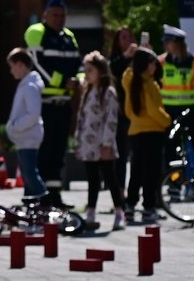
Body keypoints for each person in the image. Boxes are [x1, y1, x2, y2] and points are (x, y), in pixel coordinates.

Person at [23, 0, 83, 195]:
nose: (59, 19)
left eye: (62, 15)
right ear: (45, 15)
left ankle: (55, 196)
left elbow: (79, 64)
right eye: (55, 15)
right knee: (44, 150)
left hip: (64, 103)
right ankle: (38, 196)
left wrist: (79, 80)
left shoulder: (69, 37)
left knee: (59, 151)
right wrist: (62, 80)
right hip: (43, 103)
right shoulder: (37, 33)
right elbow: (38, 63)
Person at [122, 47, 171, 225]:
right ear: (145, 65)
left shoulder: (131, 81)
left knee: (136, 171)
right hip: (153, 131)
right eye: (152, 63)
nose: (155, 67)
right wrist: (167, 121)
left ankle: (130, 205)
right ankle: (149, 208)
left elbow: (128, 109)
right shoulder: (148, 84)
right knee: (151, 173)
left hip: (135, 130)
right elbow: (153, 109)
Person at [73, 51, 121, 230]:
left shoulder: (108, 92)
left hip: (102, 144)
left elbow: (111, 119)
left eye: (90, 70)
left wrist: (107, 143)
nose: (86, 73)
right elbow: (82, 117)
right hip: (89, 144)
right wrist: (79, 138)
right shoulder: (87, 91)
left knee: (110, 178)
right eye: (85, 70)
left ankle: (119, 211)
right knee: (92, 179)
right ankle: (91, 210)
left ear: (101, 71)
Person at [159, 25, 194, 157]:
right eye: (164, 42)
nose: (165, 45)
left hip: (192, 110)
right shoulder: (161, 62)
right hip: (169, 112)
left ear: (178, 43)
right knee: (170, 148)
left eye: (168, 42)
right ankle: (172, 177)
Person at [5, 49, 46, 200]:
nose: (11, 71)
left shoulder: (29, 86)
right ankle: (32, 206)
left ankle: (45, 203)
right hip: (25, 138)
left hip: (28, 137)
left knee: (29, 174)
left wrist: (15, 126)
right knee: (27, 175)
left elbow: (33, 114)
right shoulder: (26, 84)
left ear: (21, 65)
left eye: (12, 66)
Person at [107, 27, 136, 224]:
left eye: (129, 37)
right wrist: (126, 56)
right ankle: (120, 195)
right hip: (119, 113)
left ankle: (137, 197)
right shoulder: (115, 60)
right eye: (123, 38)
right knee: (122, 155)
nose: (127, 41)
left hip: (137, 112)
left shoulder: (138, 57)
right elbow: (113, 70)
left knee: (139, 157)